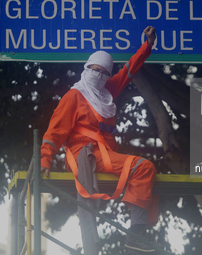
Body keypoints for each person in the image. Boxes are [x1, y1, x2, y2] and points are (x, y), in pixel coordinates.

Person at [40, 26, 158, 254]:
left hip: (106, 154)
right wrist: (45, 160)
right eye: (95, 70)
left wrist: (147, 45)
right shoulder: (74, 95)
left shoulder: (106, 90)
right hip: (85, 155)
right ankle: (128, 237)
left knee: (145, 169)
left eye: (105, 72)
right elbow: (54, 132)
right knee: (143, 168)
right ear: (86, 68)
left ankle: (137, 234)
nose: (99, 75)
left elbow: (129, 70)